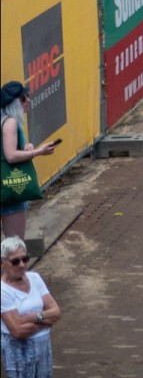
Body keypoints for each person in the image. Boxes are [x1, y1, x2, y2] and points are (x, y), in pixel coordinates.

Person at [0, 85, 55, 240]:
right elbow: (10, 156)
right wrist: (36, 152)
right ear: (13, 102)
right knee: (15, 244)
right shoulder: (10, 122)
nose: (28, 100)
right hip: (10, 188)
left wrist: (24, 149)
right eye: (24, 97)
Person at [1, 235, 61, 378]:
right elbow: (18, 331)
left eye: (25, 259)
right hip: (18, 351)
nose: (21, 264)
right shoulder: (2, 290)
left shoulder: (35, 278)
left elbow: (57, 312)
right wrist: (46, 322)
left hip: (43, 348)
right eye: (15, 261)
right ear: (2, 263)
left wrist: (34, 317)